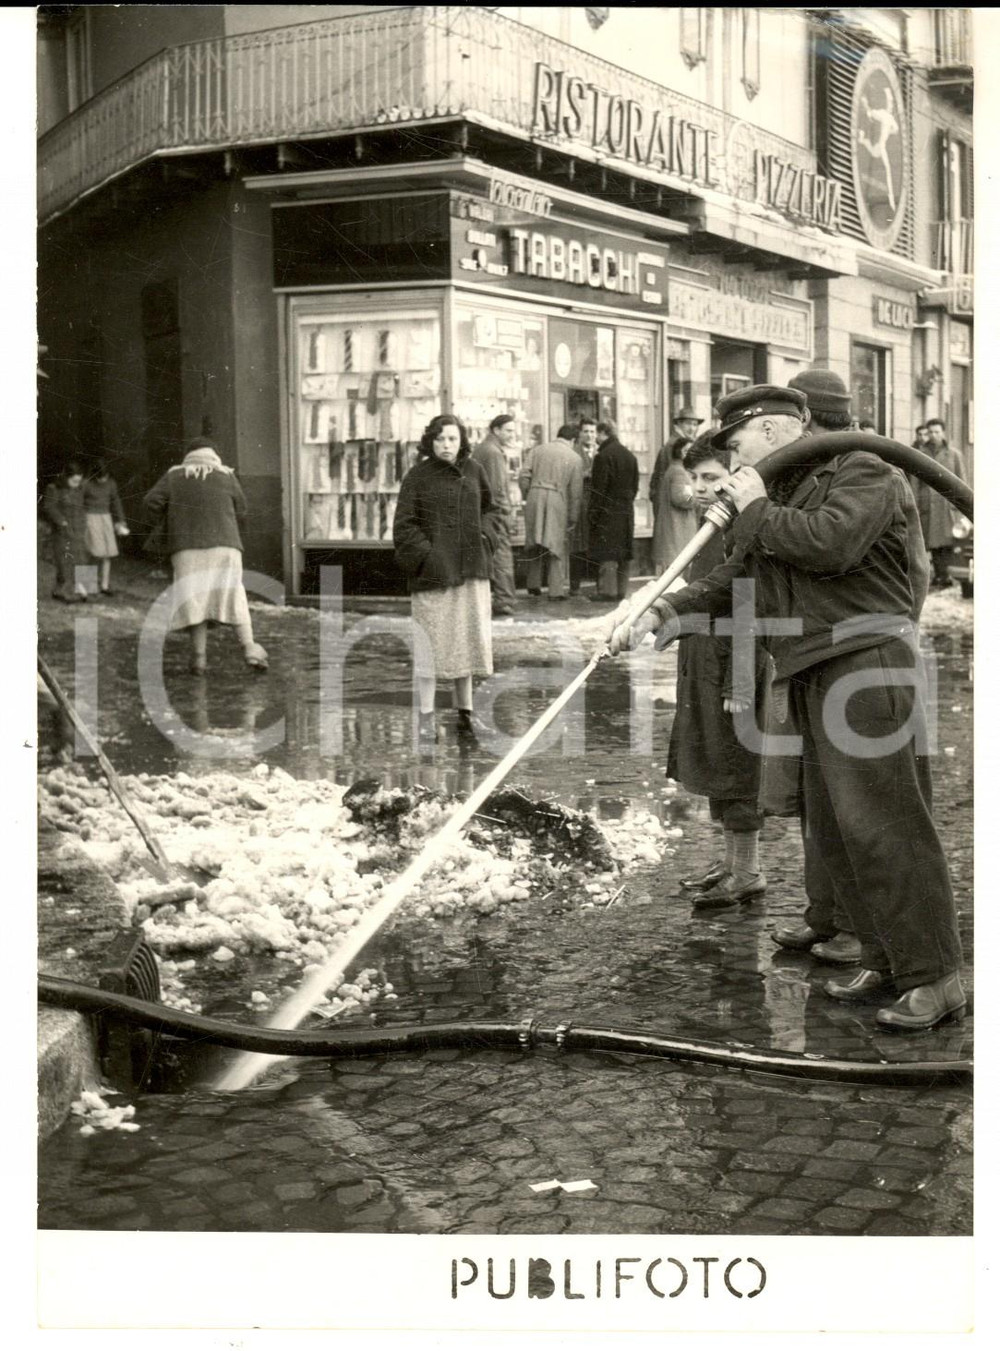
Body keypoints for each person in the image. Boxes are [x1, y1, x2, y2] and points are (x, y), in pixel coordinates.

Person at [609, 384, 965, 1032]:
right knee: (839, 830)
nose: (735, 458)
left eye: (737, 443)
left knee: (889, 826)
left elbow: (829, 543)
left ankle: (936, 975)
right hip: (813, 668)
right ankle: (884, 958)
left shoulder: (862, 468)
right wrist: (665, 610)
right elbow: (739, 577)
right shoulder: (783, 495)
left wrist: (755, 508)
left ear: (774, 431)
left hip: (867, 664)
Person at [670, 432, 769, 909]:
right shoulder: (708, 524)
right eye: (694, 478)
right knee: (713, 762)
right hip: (703, 661)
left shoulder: (740, 528)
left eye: (711, 477)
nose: (700, 487)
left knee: (736, 767)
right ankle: (730, 863)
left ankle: (747, 870)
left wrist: (741, 680)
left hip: (733, 667)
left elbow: (748, 603)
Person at [393, 413, 501, 744]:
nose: (447, 445)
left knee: (465, 644)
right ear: (431, 442)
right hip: (435, 576)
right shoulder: (417, 477)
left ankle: (465, 716)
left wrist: (484, 540)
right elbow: (404, 526)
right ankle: (426, 718)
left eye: (453, 439)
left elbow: (491, 511)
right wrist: (428, 558)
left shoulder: (474, 471)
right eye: (440, 439)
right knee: (432, 647)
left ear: (462, 441)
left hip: (470, 572)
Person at [143, 438, 268, 676]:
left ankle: (198, 660)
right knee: (233, 595)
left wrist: (168, 523)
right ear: (214, 455)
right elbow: (242, 508)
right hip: (226, 547)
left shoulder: (174, 476)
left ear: (188, 455)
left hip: (186, 549)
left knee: (195, 601)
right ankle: (250, 648)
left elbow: (150, 502)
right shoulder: (226, 475)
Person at [518, 423, 584, 602]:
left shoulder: (537, 450)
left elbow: (524, 475)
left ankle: (533, 584)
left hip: (534, 495)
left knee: (534, 542)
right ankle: (556, 590)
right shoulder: (575, 458)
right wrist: (573, 517)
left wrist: (529, 493)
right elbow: (576, 493)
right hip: (557, 499)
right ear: (572, 440)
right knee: (556, 545)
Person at [909, 417, 966, 589]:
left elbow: (961, 481)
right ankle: (940, 575)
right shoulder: (920, 453)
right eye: (931, 432)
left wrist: (960, 506)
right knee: (931, 542)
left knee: (948, 542)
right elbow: (915, 481)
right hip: (927, 503)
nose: (934, 435)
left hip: (946, 504)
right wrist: (914, 503)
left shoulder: (954, 454)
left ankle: (945, 575)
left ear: (943, 433)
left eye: (937, 432)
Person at [472, 413, 518, 617]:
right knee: (502, 555)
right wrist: (506, 513)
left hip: (484, 512)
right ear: (496, 430)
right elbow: (498, 488)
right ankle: (504, 599)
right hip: (495, 513)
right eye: (508, 430)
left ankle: (500, 598)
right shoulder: (493, 452)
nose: (511, 434)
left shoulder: (485, 449)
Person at [587, 419, 638, 602]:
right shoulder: (630, 456)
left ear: (603, 433)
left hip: (607, 511)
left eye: (597, 435)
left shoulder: (603, 456)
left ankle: (607, 591)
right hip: (626, 510)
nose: (595, 439)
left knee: (607, 551)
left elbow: (599, 488)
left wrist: (593, 511)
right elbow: (635, 486)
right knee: (623, 552)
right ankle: (621, 590)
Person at [649, 434, 697, 576]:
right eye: (689, 451)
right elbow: (682, 498)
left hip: (674, 531)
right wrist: (697, 498)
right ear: (681, 452)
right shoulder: (679, 472)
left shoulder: (675, 469)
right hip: (677, 531)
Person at [43, 461, 89, 603]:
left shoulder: (79, 489)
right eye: (74, 481)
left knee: (81, 558)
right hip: (62, 531)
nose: (77, 484)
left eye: (79, 481)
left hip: (78, 529)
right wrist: (61, 521)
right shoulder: (54, 488)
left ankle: (82, 589)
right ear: (66, 477)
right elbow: (49, 507)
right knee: (65, 561)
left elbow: (82, 507)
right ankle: (62, 590)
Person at [83, 459, 128, 596]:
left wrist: (121, 520)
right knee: (92, 553)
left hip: (106, 519)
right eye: (100, 477)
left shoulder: (111, 484)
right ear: (94, 475)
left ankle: (105, 585)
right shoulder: (86, 484)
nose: (103, 480)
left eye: (105, 476)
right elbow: (78, 502)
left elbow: (116, 502)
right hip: (90, 519)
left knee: (107, 553)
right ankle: (86, 586)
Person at [569, 417, 598, 594]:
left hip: (596, 504)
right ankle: (575, 584)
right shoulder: (574, 452)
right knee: (577, 544)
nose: (589, 435)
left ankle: (596, 583)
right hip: (579, 504)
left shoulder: (601, 451)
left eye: (592, 432)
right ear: (580, 434)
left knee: (595, 543)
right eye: (586, 431)